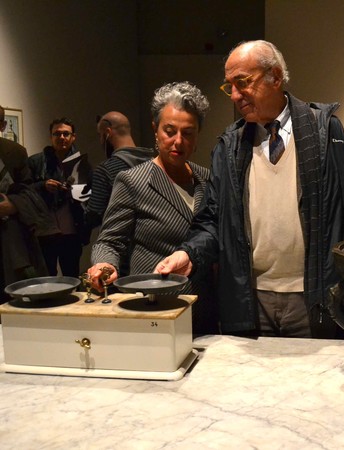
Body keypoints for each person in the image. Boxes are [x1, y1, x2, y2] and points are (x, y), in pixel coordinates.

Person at [156, 40, 344, 338]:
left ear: (276, 77)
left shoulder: (325, 131)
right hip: (250, 300)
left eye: (242, 83)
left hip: (313, 298)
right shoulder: (229, 145)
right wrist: (189, 254)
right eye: (230, 87)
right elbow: (213, 220)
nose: (236, 96)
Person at [87, 81, 217, 334]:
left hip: (205, 309)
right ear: (155, 130)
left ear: (198, 134)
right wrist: (105, 265)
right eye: (170, 131)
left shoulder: (207, 179)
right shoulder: (133, 180)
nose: (178, 141)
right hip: (156, 308)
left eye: (188, 133)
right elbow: (110, 241)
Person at [1, 105, 57, 302]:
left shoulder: (14, 152)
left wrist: (13, 205)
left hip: (9, 236)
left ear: (3, 125)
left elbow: (28, 190)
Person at [28, 117, 92, 277]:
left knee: (72, 276)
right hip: (45, 231)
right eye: (57, 134)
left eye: (66, 134)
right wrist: (43, 185)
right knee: (46, 278)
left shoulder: (81, 164)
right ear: (51, 137)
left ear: (73, 137)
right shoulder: (37, 162)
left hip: (72, 231)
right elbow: (24, 190)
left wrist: (75, 192)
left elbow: (90, 197)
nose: (61, 137)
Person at [85, 111, 156, 230]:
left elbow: (93, 216)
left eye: (100, 135)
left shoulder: (105, 170)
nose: (101, 141)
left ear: (108, 133)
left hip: (122, 243)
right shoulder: (155, 163)